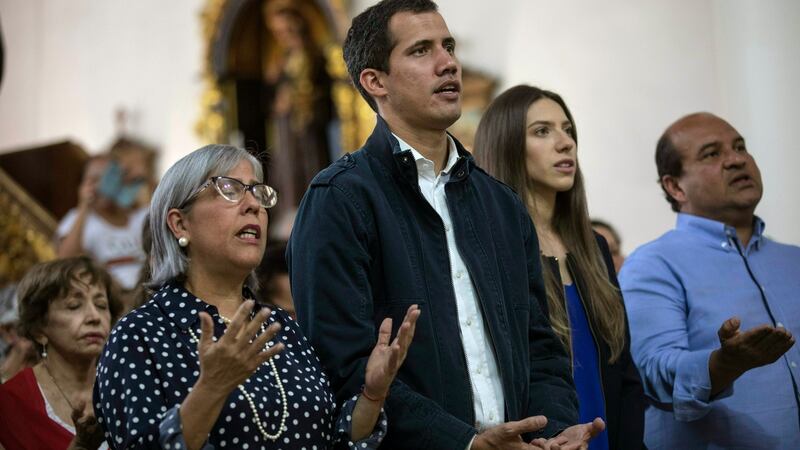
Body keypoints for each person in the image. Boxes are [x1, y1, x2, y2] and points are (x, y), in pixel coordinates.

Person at [288, 1, 605, 448]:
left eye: (449, 46)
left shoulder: (500, 202)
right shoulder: (340, 199)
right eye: (421, 50)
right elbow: (343, 366)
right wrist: (464, 443)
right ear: (375, 81)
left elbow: (540, 346)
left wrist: (549, 430)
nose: (448, 63)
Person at [93, 144, 420, 449]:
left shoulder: (281, 326)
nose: (253, 205)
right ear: (180, 224)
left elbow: (334, 440)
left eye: (258, 193)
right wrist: (212, 389)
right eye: (229, 189)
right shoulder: (139, 335)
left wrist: (372, 395)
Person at [473, 85, 645, 450]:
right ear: (506, 146)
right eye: (542, 131)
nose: (565, 143)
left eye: (568, 129)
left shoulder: (593, 246)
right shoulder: (493, 251)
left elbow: (625, 372)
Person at [619, 112, 799, 449]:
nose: (736, 160)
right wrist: (722, 364)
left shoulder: (794, 261)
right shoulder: (653, 264)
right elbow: (653, 376)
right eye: (712, 154)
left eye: (740, 147)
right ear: (675, 186)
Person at [0, 256, 123, 450]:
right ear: (39, 330)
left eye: (101, 305)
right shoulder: (10, 403)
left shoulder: (127, 383)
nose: (94, 317)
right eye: (74, 306)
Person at [263, 4, 335, 219]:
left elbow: (324, 91)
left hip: (309, 125)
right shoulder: (281, 59)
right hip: (285, 124)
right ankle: (290, 214)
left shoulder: (313, 55)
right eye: (278, 32)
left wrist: (299, 100)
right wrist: (279, 100)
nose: (282, 36)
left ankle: (315, 213)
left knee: (309, 164)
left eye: (286, 30)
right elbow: (271, 93)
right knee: (286, 168)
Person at [56, 148, 149, 297]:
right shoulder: (77, 218)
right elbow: (65, 260)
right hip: (111, 295)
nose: (101, 185)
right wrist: (84, 205)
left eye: (110, 176)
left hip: (147, 291)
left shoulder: (140, 215)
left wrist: (137, 184)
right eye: (94, 179)